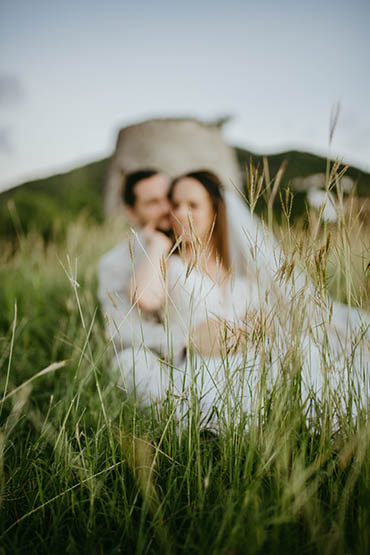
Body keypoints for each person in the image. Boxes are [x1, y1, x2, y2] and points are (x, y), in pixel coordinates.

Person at [128, 170, 370, 429]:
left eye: (193, 205)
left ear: (215, 210)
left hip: (258, 355)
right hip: (206, 368)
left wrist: (257, 327)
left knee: (313, 361)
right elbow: (144, 297)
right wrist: (157, 243)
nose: (180, 213)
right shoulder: (170, 262)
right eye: (175, 204)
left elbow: (272, 311)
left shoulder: (242, 261)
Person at [98, 169, 186, 390]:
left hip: (207, 357)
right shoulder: (114, 263)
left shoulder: (198, 246)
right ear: (132, 213)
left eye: (168, 197)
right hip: (151, 360)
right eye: (153, 202)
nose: (167, 208)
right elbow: (122, 331)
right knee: (131, 364)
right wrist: (188, 340)